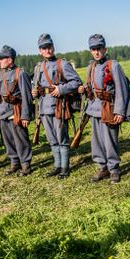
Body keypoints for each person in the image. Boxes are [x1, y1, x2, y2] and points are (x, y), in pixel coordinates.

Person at [78, 34, 130, 183]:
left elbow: (122, 90)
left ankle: (114, 169)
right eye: (93, 49)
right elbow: (90, 85)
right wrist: (84, 89)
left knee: (110, 141)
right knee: (96, 142)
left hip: (109, 108)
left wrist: (120, 112)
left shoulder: (113, 65)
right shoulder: (91, 67)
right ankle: (102, 167)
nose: (96, 52)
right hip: (93, 109)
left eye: (99, 48)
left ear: (105, 49)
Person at [31, 34, 82, 179]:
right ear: (40, 51)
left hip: (59, 106)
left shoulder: (62, 64)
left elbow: (76, 82)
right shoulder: (38, 67)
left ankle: (65, 168)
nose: (47, 50)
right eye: (43, 48)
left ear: (53, 47)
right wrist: (34, 92)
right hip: (44, 107)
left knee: (62, 138)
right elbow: (34, 85)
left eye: (49, 47)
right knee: (52, 139)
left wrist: (61, 89)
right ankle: (57, 166)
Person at [0, 45, 33, 176]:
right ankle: (14, 162)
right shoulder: (0, 74)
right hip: (2, 112)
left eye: (1, 58)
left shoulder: (20, 73)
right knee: (8, 140)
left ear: (10, 60)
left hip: (15, 112)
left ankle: (25, 164)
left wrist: (26, 116)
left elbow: (27, 96)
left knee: (21, 139)